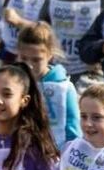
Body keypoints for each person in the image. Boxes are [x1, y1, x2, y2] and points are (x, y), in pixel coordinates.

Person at [13, 22, 78, 152]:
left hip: (55, 155)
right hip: (21, 153)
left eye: (36, 60)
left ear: (50, 55)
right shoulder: (13, 83)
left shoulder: (63, 87)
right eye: (24, 58)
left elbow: (73, 131)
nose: (29, 65)